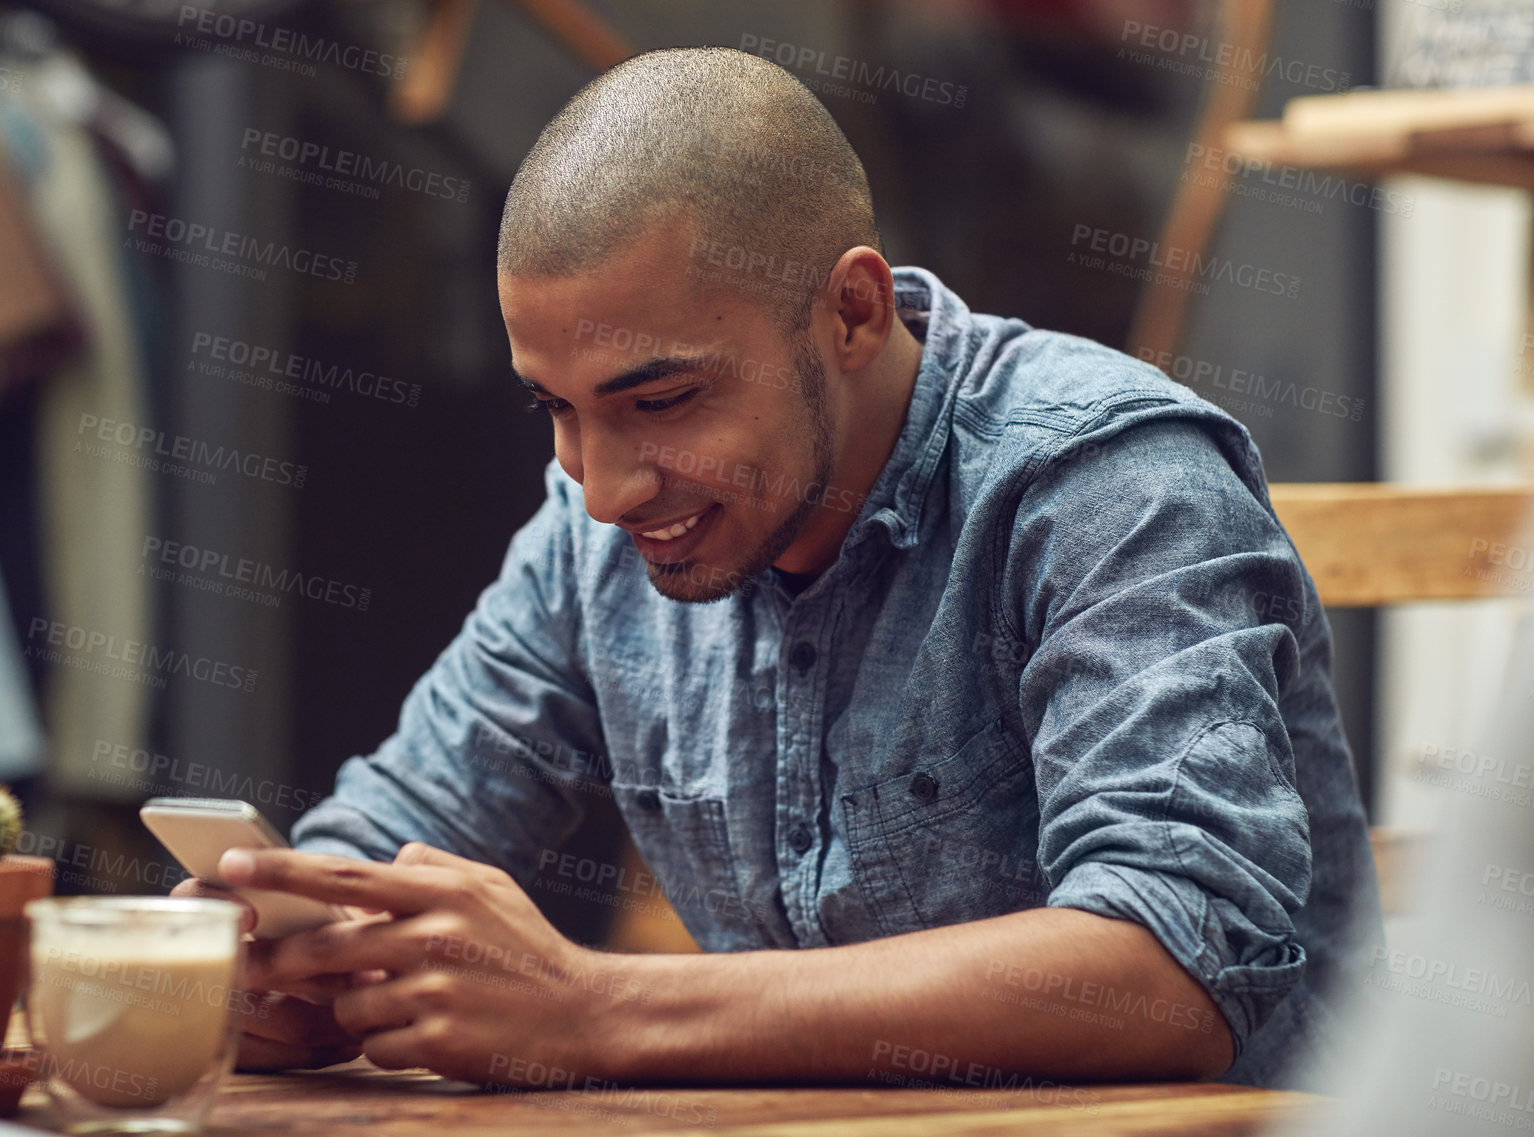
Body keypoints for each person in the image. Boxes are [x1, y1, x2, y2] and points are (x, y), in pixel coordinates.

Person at [176, 45, 1382, 1091]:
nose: (602, 486)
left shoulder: (1107, 483)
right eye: (557, 409)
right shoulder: (592, 536)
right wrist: (290, 956)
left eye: (662, 399)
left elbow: (1173, 966)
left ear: (851, 313)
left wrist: (599, 1010)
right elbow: (397, 826)